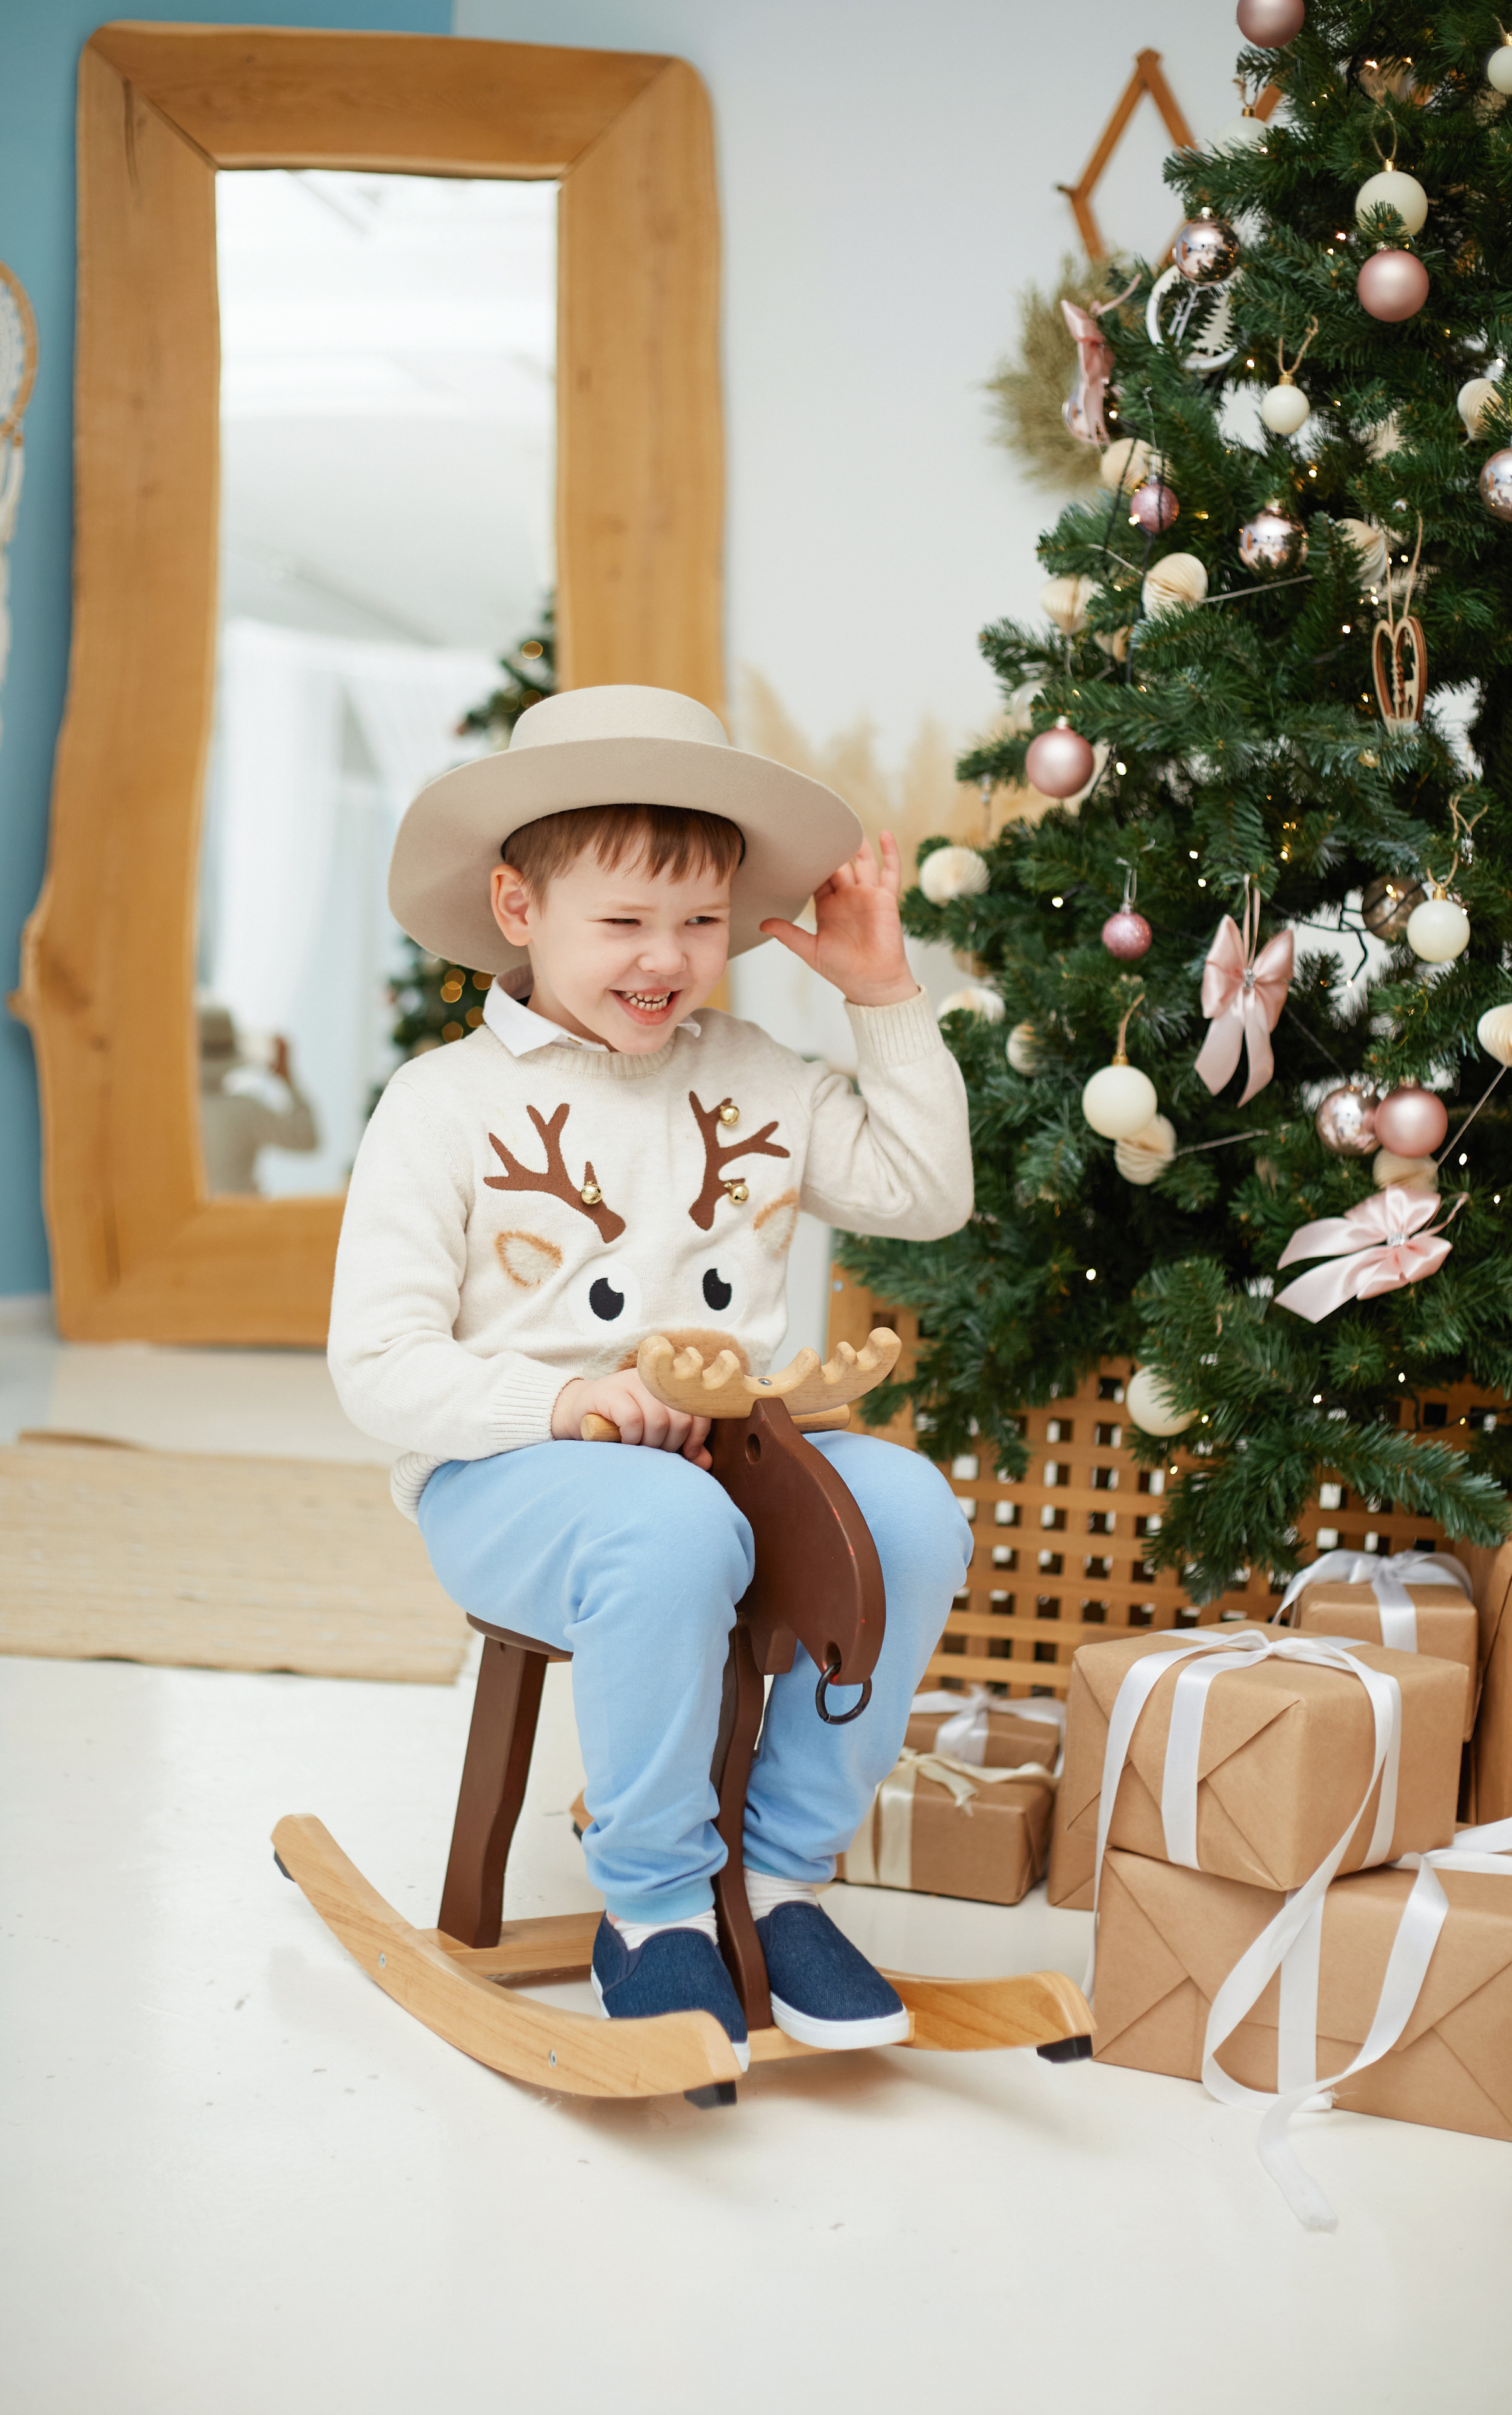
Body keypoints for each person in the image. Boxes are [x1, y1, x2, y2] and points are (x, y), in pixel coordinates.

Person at [329, 685, 974, 2070]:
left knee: (911, 1508)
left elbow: (926, 1194)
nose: (663, 959)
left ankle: (782, 1873)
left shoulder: (759, 1074)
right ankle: (655, 1904)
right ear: (518, 908)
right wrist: (559, 1403)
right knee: (670, 1526)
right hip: (505, 1477)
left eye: (698, 924)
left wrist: (880, 997)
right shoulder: (439, 1106)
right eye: (620, 922)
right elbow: (376, 1368)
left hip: (729, 1451)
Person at [198, 1005, 320, 1196]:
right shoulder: (246, 1110)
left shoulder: (170, 1114)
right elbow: (308, 1139)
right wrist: (288, 1079)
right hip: (240, 1221)